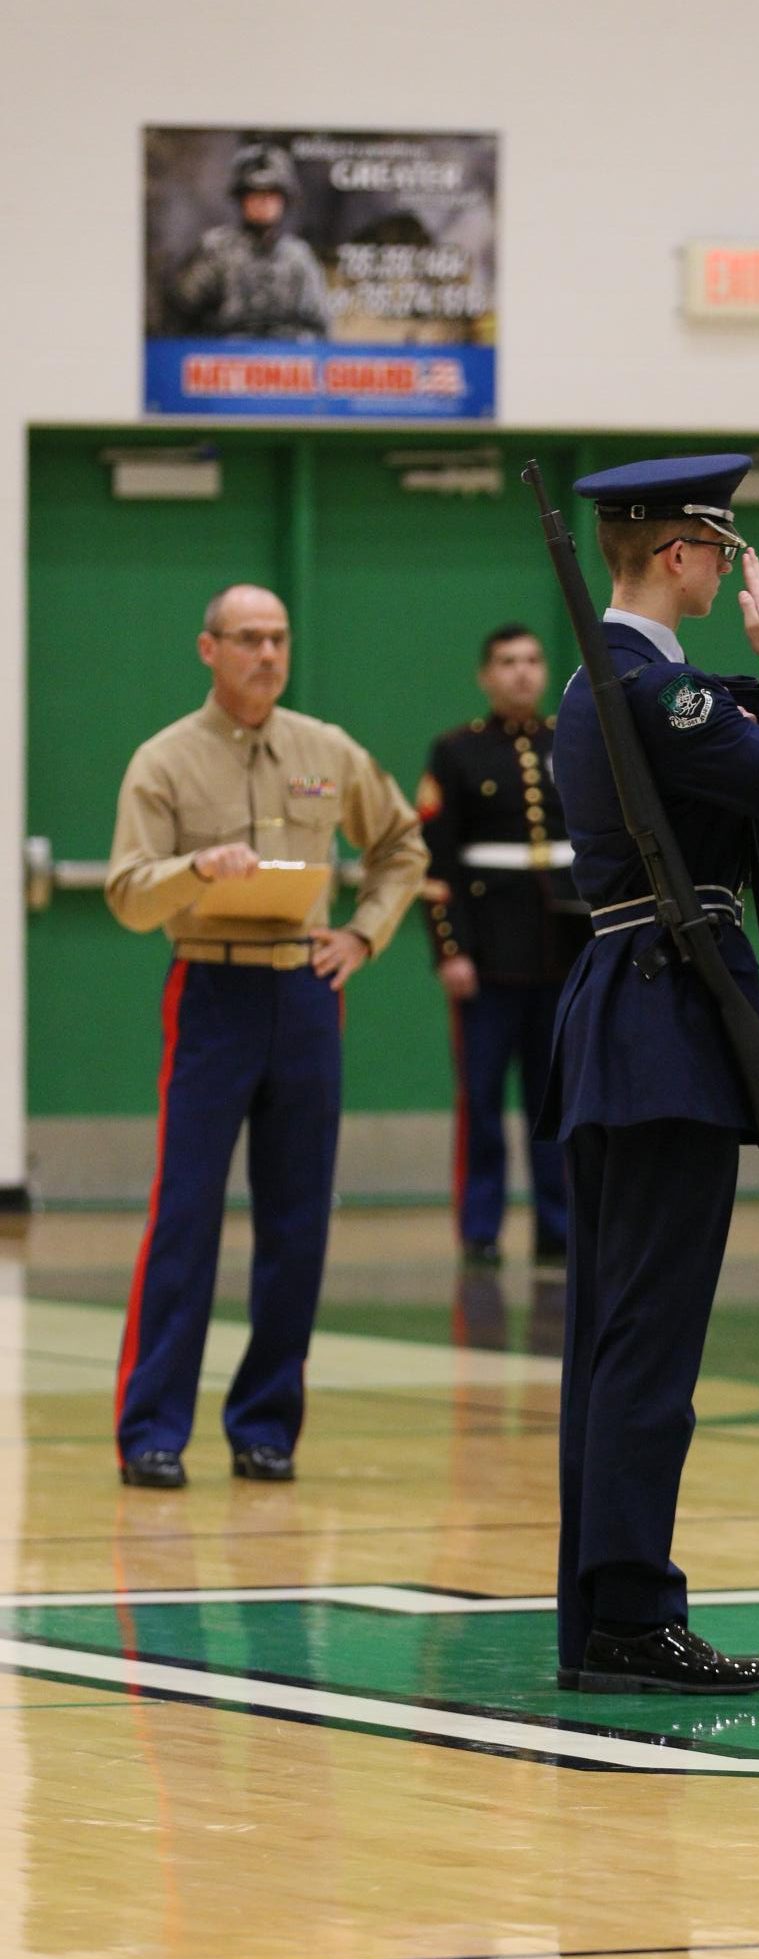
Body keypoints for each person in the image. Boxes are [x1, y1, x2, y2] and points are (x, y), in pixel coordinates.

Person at [542, 454, 759, 1694]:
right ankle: (630, 1613)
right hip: (662, 1028)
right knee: (649, 1341)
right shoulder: (657, 695)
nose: (730, 572)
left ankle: (604, 1614)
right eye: (719, 551)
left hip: (622, 1016)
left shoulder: (611, 680)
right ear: (679, 554)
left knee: (615, 1336)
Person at [106, 583, 427, 1488]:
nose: (267, 654)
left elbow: (402, 845)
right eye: (248, 638)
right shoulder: (163, 760)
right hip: (212, 990)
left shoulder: (326, 750)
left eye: (278, 637)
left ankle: (265, 1424)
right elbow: (128, 892)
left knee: (298, 1220)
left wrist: (364, 931)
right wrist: (195, 866)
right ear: (209, 649)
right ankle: (152, 1430)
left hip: (306, 995)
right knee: (186, 1215)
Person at [417, 624, 587, 1264]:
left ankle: (558, 1226)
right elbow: (437, 866)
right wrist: (450, 949)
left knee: (556, 1100)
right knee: (483, 1101)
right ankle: (481, 1228)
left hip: (563, 951)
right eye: (507, 662)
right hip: (487, 957)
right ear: (486, 676)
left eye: (532, 660)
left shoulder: (570, 744)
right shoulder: (456, 752)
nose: (521, 673)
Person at [169, 143, 330, 341]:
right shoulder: (216, 250)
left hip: (285, 361)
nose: (263, 202)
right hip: (225, 357)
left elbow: (320, 329)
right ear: (241, 198)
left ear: (284, 199)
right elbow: (180, 312)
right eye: (255, 193)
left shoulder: (299, 257)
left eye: (271, 194)